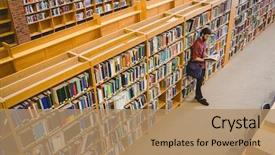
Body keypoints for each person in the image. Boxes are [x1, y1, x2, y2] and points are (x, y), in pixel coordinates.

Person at [189, 27, 213, 106]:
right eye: (207, 36)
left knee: (200, 81)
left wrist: (209, 57)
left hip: (202, 65)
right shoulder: (197, 44)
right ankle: (200, 97)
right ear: (202, 34)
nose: (207, 38)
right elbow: (194, 58)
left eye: (209, 37)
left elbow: (204, 53)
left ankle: (197, 96)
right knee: (199, 81)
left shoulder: (203, 41)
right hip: (197, 66)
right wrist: (204, 60)